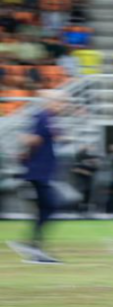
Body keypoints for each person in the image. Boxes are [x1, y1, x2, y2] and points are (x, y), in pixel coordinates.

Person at [7, 90, 64, 263]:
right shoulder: (43, 117)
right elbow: (33, 139)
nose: (63, 105)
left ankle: (32, 245)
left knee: (46, 207)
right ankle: (33, 247)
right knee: (51, 206)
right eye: (60, 102)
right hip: (39, 172)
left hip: (41, 171)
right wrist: (26, 142)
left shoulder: (47, 117)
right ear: (51, 102)